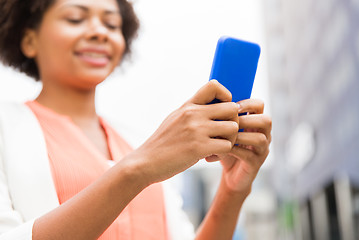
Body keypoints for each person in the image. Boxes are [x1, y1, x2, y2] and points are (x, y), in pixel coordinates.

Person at [0, 0, 272, 239]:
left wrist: (232, 190)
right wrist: (138, 168)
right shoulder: (6, 127)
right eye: (75, 18)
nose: (100, 32)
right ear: (29, 40)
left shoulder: (137, 142)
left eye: (111, 24)